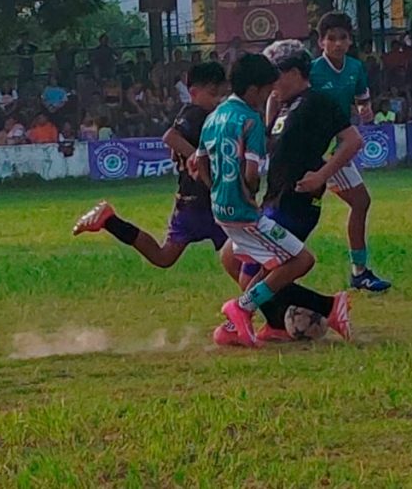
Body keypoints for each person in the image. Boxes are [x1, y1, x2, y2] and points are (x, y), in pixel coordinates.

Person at [215, 40, 361, 345]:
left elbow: (352, 140)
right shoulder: (283, 105)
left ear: (295, 72)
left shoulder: (317, 102)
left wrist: (322, 174)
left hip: (297, 202)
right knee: (231, 258)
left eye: (275, 75)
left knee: (256, 272)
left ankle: (324, 307)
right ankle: (284, 322)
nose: (270, 83)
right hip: (274, 198)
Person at [190, 53, 316, 347]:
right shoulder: (250, 121)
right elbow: (251, 173)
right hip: (244, 213)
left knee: (266, 265)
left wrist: (217, 189)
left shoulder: (214, 117)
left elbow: (200, 163)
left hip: (220, 207)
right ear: (253, 90)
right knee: (301, 260)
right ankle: (242, 307)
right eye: (266, 90)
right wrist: (250, 194)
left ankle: (235, 329)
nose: (268, 96)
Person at [72, 62, 239, 282]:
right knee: (242, 258)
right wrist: (197, 158)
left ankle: (110, 220)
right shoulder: (197, 113)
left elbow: (174, 145)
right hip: (205, 203)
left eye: (222, 94)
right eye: (213, 94)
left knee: (163, 257)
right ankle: (255, 306)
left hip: (191, 201)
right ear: (194, 92)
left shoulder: (191, 113)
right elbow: (170, 137)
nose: (218, 100)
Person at [309, 11, 391, 292]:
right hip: (319, 151)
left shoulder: (355, 68)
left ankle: (359, 271)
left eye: (343, 38)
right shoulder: (312, 71)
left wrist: (364, 109)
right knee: (357, 202)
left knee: (359, 202)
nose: (338, 44)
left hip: (338, 149)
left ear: (350, 41)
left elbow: (361, 98)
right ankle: (358, 272)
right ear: (321, 42)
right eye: (331, 39)